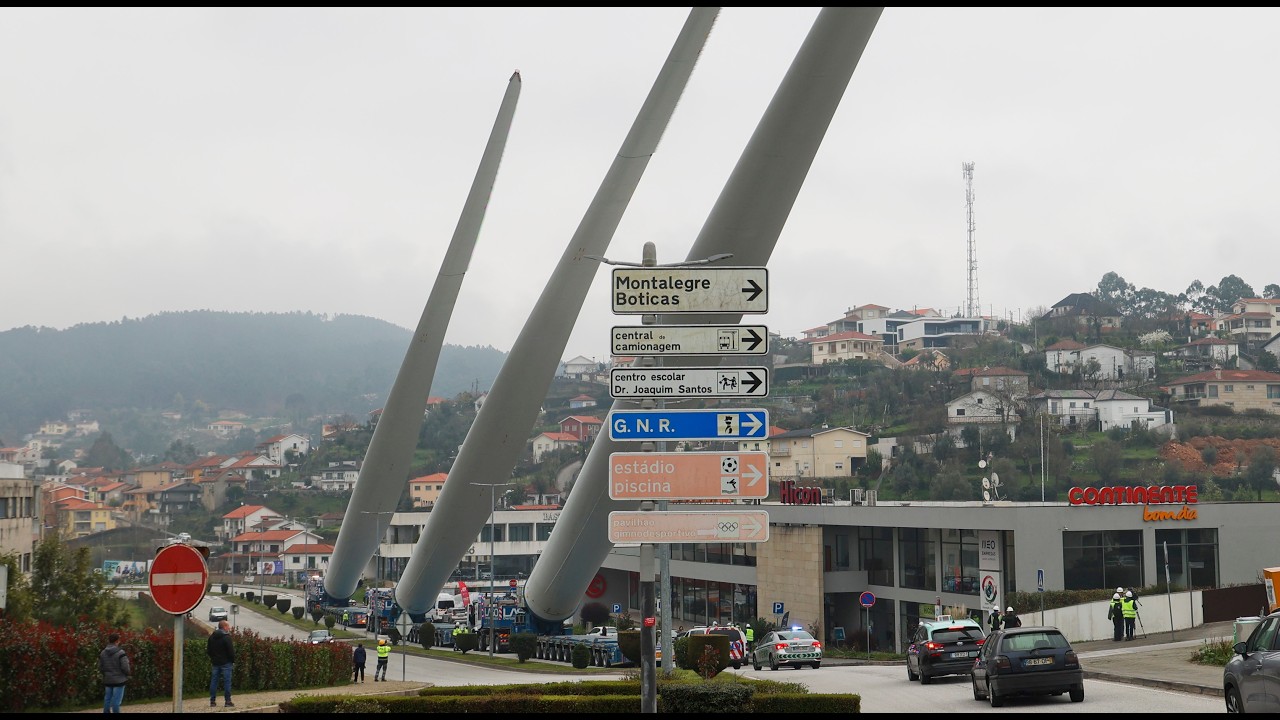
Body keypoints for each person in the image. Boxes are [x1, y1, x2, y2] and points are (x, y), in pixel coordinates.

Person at [99, 632, 131, 714]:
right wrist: (127, 674)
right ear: (117, 641)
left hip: (108, 679)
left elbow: (101, 667)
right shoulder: (121, 652)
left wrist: (106, 674)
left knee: (107, 699)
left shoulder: (103, 653)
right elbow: (125, 667)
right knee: (116, 702)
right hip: (119, 680)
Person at [207, 619, 235, 707]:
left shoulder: (212, 637)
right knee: (227, 682)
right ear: (224, 627)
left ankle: (212, 701)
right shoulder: (226, 637)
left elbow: (209, 650)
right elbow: (231, 651)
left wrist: (213, 658)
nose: (229, 628)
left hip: (215, 663)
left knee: (214, 681)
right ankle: (227, 701)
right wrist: (232, 660)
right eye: (228, 626)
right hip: (226, 662)